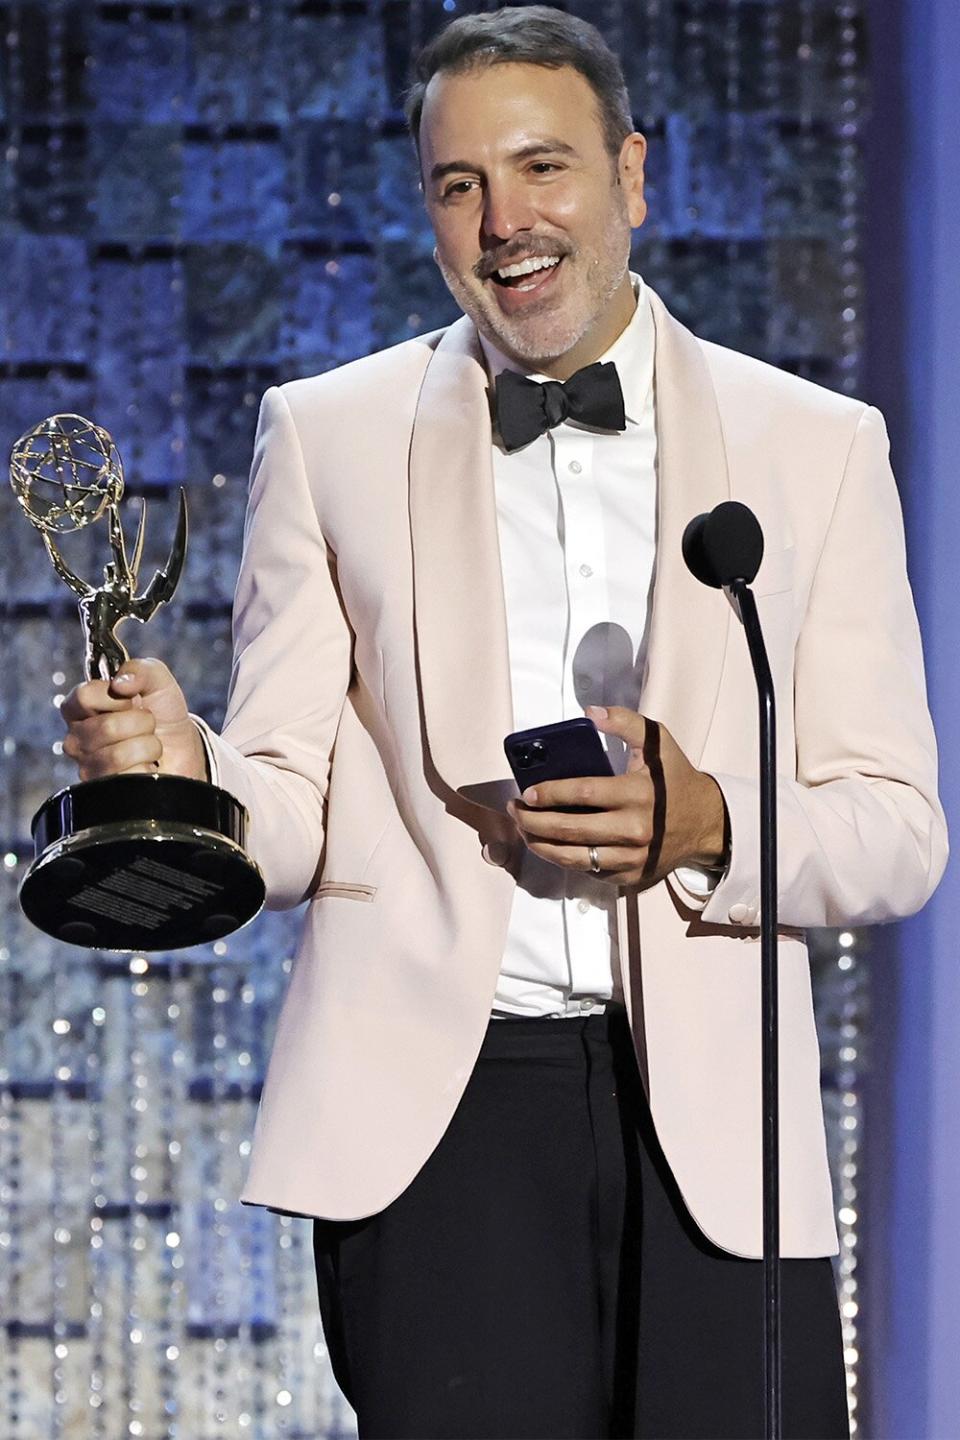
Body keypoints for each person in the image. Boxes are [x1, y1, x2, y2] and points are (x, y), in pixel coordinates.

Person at [59, 7, 947, 1437]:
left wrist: (713, 823)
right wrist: (191, 778)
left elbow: (899, 836)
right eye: (459, 184)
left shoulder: (816, 449)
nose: (506, 221)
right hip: (443, 1115)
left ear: (633, 178)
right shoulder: (327, 434)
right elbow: (288, 798)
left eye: (545, 168)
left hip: (719, 1126)